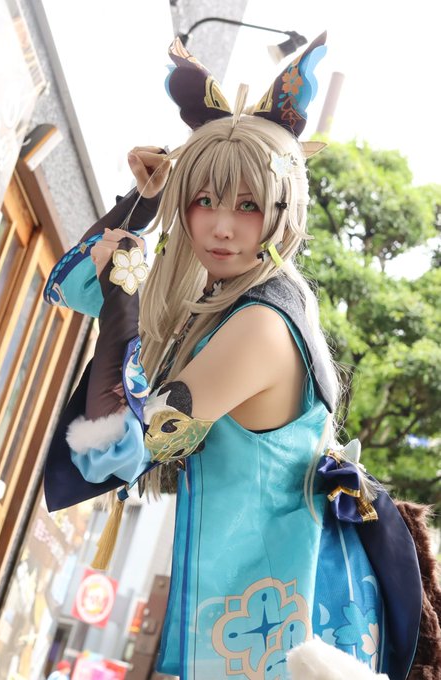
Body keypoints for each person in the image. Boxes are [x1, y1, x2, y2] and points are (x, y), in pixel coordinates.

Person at [43, 34, 423, 680]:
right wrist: (143, 202)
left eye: (249, 205)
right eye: (204, 200)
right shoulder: (229, 305)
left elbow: (112, 453)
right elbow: (73, 287)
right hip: (249, 628)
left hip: (268, 642)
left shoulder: (258, 326)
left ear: (284, 211)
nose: (222, 226)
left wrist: (123, 300)